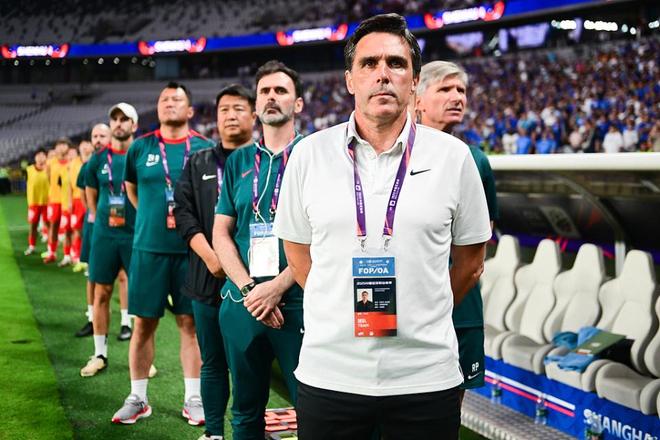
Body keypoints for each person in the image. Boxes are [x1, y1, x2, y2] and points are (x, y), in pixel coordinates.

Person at [273, 14, 491, 439]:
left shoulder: (454, 157)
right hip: (330, 371)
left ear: (414, 81)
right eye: (369, 64)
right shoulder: (309, 155)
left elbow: (471, 263)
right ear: (350, 80)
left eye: (396, 63)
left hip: (425, 375)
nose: (383, 74)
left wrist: (422, 312)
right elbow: (297, 255)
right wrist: (337, 306)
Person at [213, 60, 305, 440]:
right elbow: (221, 233)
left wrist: (277, 287)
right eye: (264, 91)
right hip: (243, 302)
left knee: (314, 411)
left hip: (297, 303)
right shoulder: (238, 160)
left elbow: (325, 236)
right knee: (245, 413)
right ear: (256, 105)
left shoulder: (314, 154)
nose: (271, 97)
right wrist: (251, 289)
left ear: (297, 103)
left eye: (281, 90)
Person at [112, 83, 213, 425]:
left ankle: (193, 398)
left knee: (190, 325)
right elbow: (132, 191)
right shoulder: (140, 147)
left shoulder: (204, 148)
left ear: (190, 110)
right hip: (148, 250)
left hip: (191, 252)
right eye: (164, 99)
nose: (170, 103)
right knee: (143, 324)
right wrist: (153, 221)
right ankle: (138, 398)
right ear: (157, 108)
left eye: (177, 99)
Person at [174, 84, 257, 440]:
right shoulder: (199, 162)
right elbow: (183, 214)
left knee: (249, 365)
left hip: (255, 280)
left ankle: (247, 430)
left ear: (253, 115)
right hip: (207, 275)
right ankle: (213, 432)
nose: (231, 115)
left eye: (239, 108)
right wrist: (212, 257)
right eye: (224, 109)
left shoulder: (266, 162)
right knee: (213, 362)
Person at [415, 60, 499, 404]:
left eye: (461, 90)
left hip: (458, 308)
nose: (457, 97)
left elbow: (478, 246)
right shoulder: (392, 156)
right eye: (445, 89)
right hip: (403, 307)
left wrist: (439, 307)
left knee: (447, 413)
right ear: (417, 99)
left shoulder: (474, 161)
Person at [80, 103, 140, 377]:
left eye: (124, 119)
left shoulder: (141, 155)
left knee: (139, 296)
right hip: (105, 236)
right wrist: (101, 221)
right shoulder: (97, 159)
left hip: (135, 235)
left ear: (133, 125)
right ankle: (100, 354)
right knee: (101, 292)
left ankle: (142, 356)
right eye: (114, 118)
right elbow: (91, 197)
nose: (118, 123)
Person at [74, 128, 111, 338]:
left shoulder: (123, 159)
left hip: (121, 227)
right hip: (96, 225)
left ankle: (127, 321)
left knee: (124, 276)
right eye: (95, 136)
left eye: (102, 136)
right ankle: (91, 318)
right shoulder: (89, 165)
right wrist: (96, 216)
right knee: (93, 273)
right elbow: (84, 196)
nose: (98, 140)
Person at [43, 138, 72, 264]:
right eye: (59, 145)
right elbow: (48, 178)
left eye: (64, 145)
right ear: (55, 148)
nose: (61, 147)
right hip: (54, 199)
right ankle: (52, 253)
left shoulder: (71, 162)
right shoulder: (50, 162)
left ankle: (67, 255)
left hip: (67, 200)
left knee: (67, 229)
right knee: (53, 226)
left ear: (68, 147)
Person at [25, 148, 49, 256]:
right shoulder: (29, 170)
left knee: (49, 226)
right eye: (38, 155)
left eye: (42, 155)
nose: (40, 157)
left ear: (46, 157)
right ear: (35, 158)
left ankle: (50, 249)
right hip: (33, 203)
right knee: (33, 226)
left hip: (47, 202)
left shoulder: (49, 169)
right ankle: (31, 246)